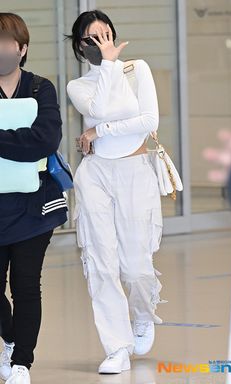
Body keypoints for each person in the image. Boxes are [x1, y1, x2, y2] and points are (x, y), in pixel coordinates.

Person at [67, 10, 167, 374]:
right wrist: (106, 67)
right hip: (95, 176)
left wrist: (98, 131)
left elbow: (149, 121)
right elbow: (96, 107)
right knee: (101, 264)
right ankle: (116, 346)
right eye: (94, 38)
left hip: (135, 170)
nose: (103, 43)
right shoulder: (78, 86)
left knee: (137, 266)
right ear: (82, 45)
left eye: (107, 34)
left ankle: (142, 314)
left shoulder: (137, 69)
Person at [0, 13, 68, 384]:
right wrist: (18, 142)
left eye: (6, 43)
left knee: (26, 284)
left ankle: (22, 362)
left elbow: (44, 141)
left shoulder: (41, 88)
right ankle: (10, 339)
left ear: (22, 48)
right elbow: (28, 142)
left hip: (34, 206)